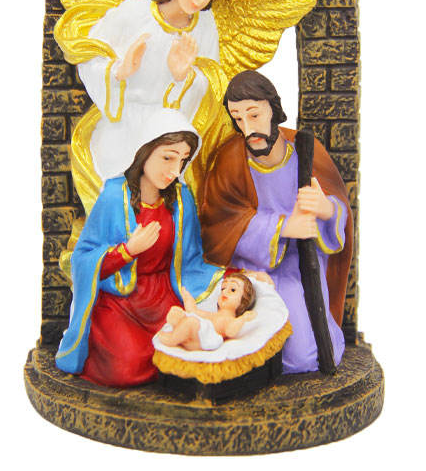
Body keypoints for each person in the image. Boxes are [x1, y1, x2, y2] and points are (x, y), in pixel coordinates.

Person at [55, 110, 224, 387]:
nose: (175, 171)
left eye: (182, 160)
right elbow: (83, 260)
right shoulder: (114, 195)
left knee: (192, 345)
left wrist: (234, 277)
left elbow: (191, 260)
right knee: (128, 368)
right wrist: (127, 251)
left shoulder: (181, 199)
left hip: (164, 297)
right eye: (168, 157)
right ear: (144, 151)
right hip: (121, 300)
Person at [200, 71, 354, 374]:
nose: (248, 128)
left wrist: (326, 209)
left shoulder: (306, 153)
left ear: (273, 108)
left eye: (254, 115)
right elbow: (219, 223)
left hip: (299, 267)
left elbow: (337, 206)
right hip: (251, 270)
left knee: (302, 357)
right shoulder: (230, 159)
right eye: (238, 118)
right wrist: (282, 227)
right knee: (239, 340)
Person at [77, 0, 230, 183]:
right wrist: (120, 70)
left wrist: (184, 77)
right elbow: (88, 56)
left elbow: (212, 87)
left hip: (171, 135)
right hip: (124, 126)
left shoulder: (205, 25)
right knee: (119, 184)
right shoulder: (135, 12)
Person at [157, 274, 257, 352]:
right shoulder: (214, 315)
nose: (224, 292)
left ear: (243, 301)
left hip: (202, 342)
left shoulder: (230, 319)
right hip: (194, 336)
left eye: (233, 290)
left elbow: (230, 331)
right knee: (179, 314)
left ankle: (172, 339)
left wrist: (243, 318)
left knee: (192, 322)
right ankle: (178, 328)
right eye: (223, 288)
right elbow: (194, 312)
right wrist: (187, 298)